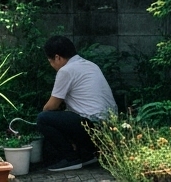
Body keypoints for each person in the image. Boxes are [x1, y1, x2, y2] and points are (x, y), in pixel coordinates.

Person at [37, 35, 117, 172]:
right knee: (67, 117)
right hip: (109, 127)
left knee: (43, 119)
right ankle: (88, 154)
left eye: (51, 61)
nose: (52, 66)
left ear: (57, 57)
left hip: (92, 126)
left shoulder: (66, 70)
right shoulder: (90, 65)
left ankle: (70, 159)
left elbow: (51, 107)